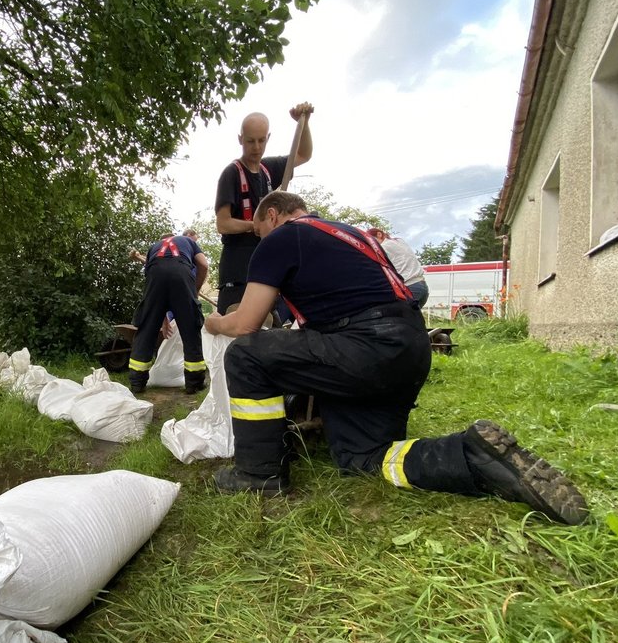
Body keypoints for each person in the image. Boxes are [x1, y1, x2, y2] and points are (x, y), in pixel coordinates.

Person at [203, 190, 588, 526]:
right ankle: (473, 457)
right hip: (409, 350)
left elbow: (248, 324)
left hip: (365, 347)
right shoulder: (353, 236)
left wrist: (218, 323)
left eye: (258, 232)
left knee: (245, 356)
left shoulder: (284, 236)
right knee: (361, 458)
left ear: (272, 215)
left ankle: (259, 473)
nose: (259, 241)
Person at [214, 103, 313, 314]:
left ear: (268, 138)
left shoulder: (269, 168)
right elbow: (223, 224)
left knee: (268, 326)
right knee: (236, 324)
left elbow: (304, 154)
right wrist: (257, 225)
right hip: (238, 266)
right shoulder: (231, 174)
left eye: (261, 140)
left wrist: (303, 124)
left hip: (265, 261)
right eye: (250, 141)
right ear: (240, 139)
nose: (256, 147)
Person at [129, 232, 210, 395]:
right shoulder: (188, 241)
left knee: (147, 327)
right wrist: (195, 291)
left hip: (154, 274)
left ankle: (137, 382)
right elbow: (203, 265)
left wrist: (161, 319)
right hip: (181, 273)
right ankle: (194, 383)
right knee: (190, 328)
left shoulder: (154, 247)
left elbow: (157, 291)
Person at [366, 227, 429, 306]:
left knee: (395, 315)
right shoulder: (399, 241)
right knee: (413, 317)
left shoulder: (383, 247)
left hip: (409, 287)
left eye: (373, 240)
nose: (373, 244)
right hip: (422, 286)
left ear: (379, 234)